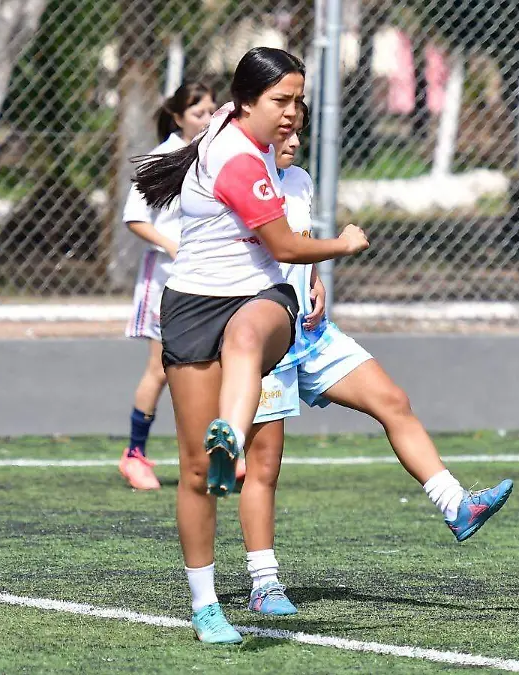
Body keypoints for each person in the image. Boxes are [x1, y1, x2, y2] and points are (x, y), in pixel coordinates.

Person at [131, 46, 368, 644]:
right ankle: (206, 604)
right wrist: (342, 246)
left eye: (298, 101)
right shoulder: (238, 160)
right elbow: (286, 246)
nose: (292, 113)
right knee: (193, 473)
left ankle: (230, 434)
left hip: (260, 303)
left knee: (245, 336)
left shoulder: (226, 127)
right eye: (280, 101)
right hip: (188, 308)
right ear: (246, 102)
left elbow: (277, 265)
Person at [238, 120, 514, 618]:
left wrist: (315, 279)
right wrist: (338, 247)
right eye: (286, 133)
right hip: (263, 341)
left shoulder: (298, 180)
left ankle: (456, 505)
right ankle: (264, 582)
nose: (295, 142)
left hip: (311, 333)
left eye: (300, 131)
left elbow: (298, 244)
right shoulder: (238, 178)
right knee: (264, 466)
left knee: (393, 401)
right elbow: (270, 248)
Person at [119, 81, 216, 490]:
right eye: (199, 114)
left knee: (214, 367)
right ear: (177, 117)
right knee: (161, 370)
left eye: (212, 111)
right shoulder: (161, 159)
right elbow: (135, 217)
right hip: (166, 281)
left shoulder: (217, 157)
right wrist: (171, 245)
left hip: (209, 280)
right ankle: (134, 455)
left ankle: (214, 457)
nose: (208, 120)